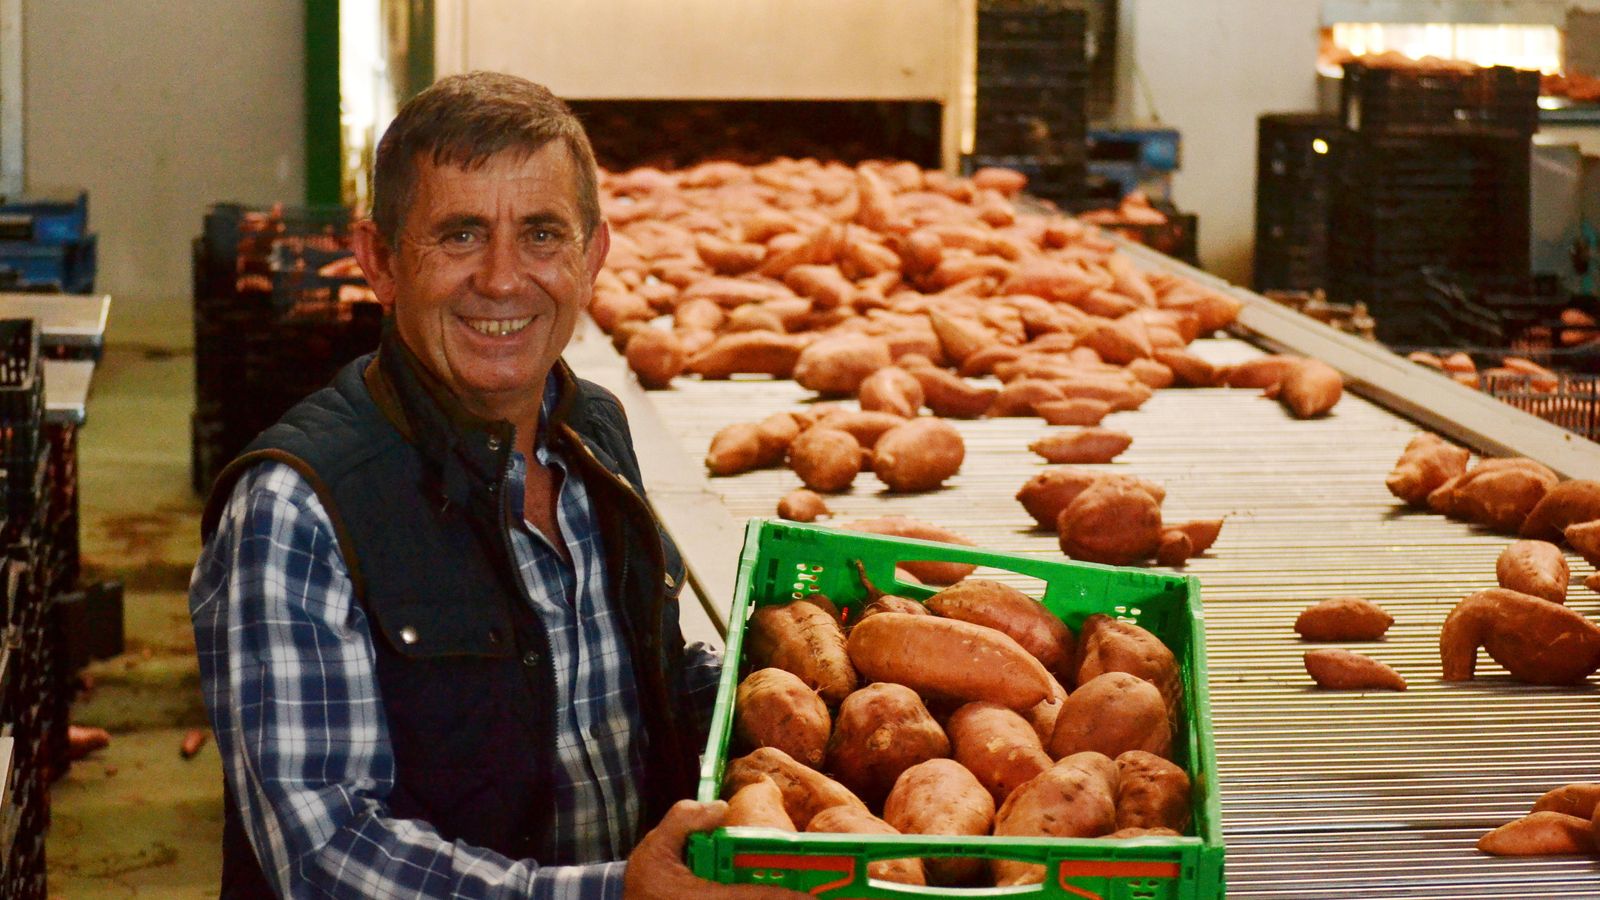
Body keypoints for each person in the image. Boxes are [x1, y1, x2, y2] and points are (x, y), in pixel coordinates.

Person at [190, 72, 808, 899]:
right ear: (380, 261)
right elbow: (326, 852)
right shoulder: (296, 507)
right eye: (460, 235)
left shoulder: (592, 434)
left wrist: (790, 703)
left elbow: (630, 680)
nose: (505, 279)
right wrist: (610, 893)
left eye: (544, 234)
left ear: (593, 258)